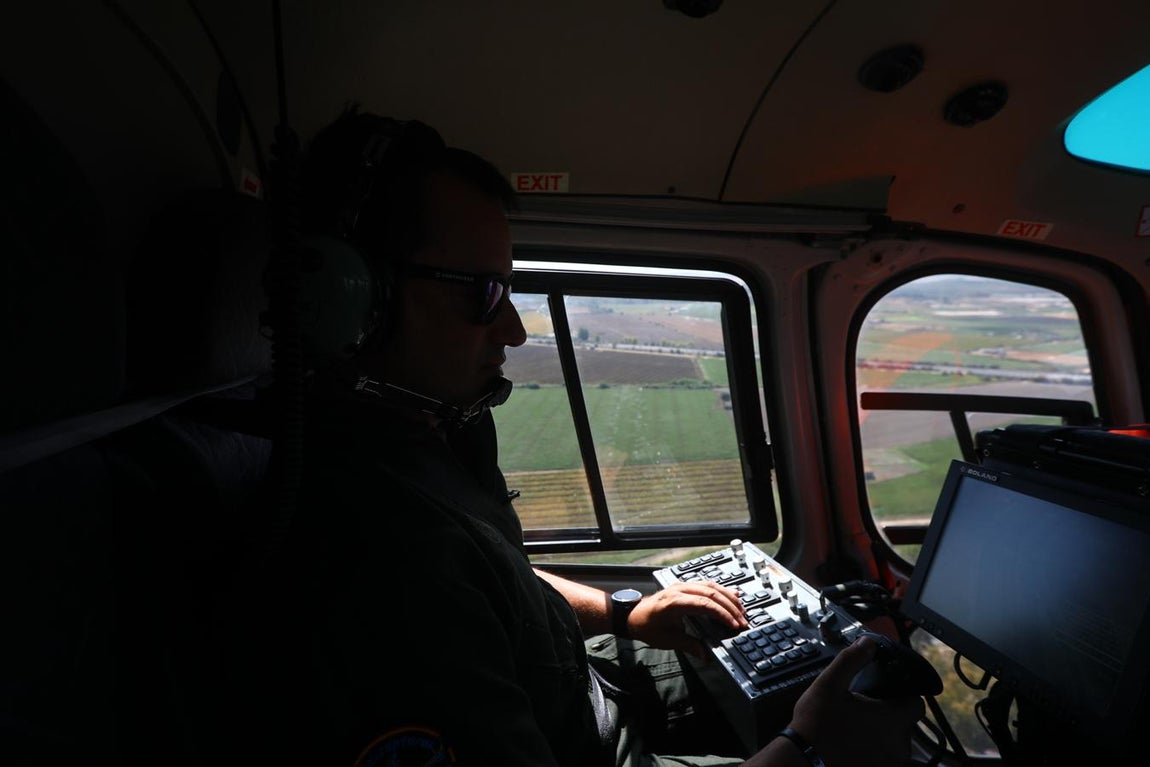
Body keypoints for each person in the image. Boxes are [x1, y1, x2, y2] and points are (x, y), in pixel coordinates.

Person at [227, 107, 924, 767]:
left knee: (774, 663)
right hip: (582, 739)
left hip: (581, 683)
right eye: (482, 294)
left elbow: (500, 583)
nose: (514, 331)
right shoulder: (375, 559)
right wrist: (809, 748)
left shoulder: (430, 434)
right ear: (357, 300)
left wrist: (627, 612)